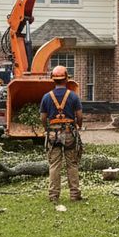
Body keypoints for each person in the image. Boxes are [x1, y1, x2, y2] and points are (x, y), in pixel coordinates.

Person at [40, 65, 84, 205]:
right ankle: (74, 194)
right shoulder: (73, 96)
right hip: (69, 133)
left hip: (53, 134)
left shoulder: (46, 97)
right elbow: (79, 115)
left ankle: (53, 196)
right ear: (66, 79)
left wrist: (47, 129)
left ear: (53, 79)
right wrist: (78, 126)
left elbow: (43, 117)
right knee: (72, 164)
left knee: (54, 165)